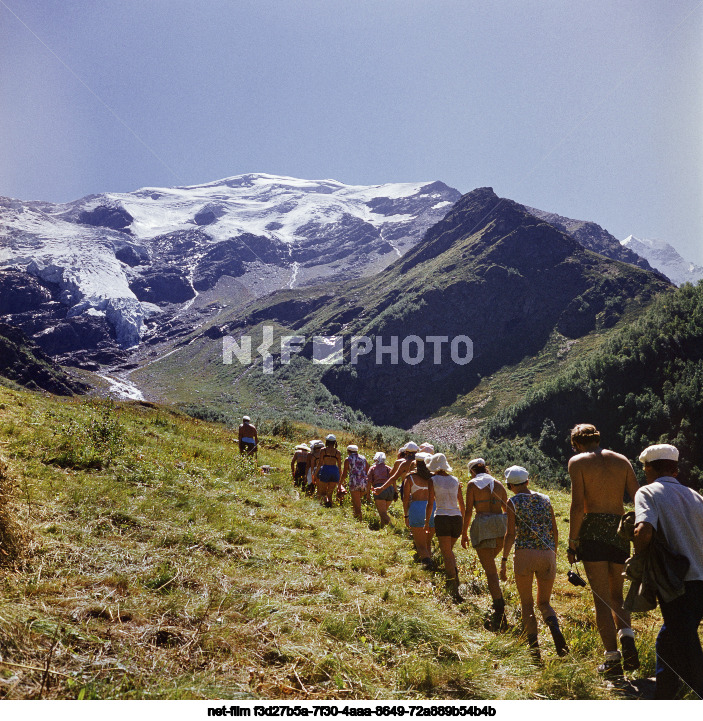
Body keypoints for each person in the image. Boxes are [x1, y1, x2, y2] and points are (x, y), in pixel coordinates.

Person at [567, 423, 640, 675]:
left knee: (601, 600)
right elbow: (638, 496)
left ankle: (612, 660)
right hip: (620, 530)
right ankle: (627, 638)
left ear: (576, 443)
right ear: (598, 438)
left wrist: (572, 542)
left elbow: (577, 506)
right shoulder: (622, 460)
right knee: (617, 596)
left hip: (593, 530)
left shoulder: (577, 462)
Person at [634, 443, 703, 699]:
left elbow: (644, 531)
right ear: (674, 469)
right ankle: (665, 691)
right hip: (701, 579)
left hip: (677, 581)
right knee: (670, 637)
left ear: (649, 468)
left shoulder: (648, 492)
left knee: (686, 645)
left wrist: (638, 558)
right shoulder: (695, 496)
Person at [501, 465, 568, 661]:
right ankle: (556, 632)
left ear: (510, 485)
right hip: (547, 554)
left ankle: (534, 651)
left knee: (527, 603)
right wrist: (552, 554)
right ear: (528, 482)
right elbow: (555, 531)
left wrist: (504, 560)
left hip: (524, 555)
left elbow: (511, 534)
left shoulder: (512, 502)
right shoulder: (545, 499)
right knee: (544, 603)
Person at [461, 458, 508, 631]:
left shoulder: (472, 485)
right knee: (491, 567)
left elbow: (468, 511)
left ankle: (499, 608)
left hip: (482, 527)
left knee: (490, 573)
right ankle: (498, 603)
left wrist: (464, 533)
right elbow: (507, 509)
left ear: (472, 471)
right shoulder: (499, 485)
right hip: (500, 528)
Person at [425, 453, 465, 601]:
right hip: (457, 518)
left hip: (442, 516)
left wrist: (426, 522)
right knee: (449, 551)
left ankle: (453, 587)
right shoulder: (455, 480)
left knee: (446, 553)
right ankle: (455, 577)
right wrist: (464, 525)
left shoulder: (432, 480)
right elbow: (462, 503)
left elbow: (430, 503)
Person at [403, 452, 435, 568]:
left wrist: (406, 515)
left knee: (420, 544)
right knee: (428, 542)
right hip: (433, 508)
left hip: (417, 509)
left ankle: (427, 563)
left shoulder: (410, 478)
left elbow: (406, 499)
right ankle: (431, 562)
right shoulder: (433, 477)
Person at [341, 445, 369, 521]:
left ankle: (359, 521)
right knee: (356, 500)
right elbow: (367, 470)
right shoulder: (363, 458)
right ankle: (355, 517)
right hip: (364, 482)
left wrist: (340, 484)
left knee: (357, 504)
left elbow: (344, 474)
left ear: (348, 451)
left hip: (354, 482)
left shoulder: (348, 459)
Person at [368, 452, 395, 528]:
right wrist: (395, 491)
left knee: (382, 513)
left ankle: (392, 527)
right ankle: (382, 527)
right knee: (384, 511)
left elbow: (369, 482)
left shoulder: (373, 468)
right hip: (390, 489)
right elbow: (394, 480)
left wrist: (368, 494)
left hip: (379, 489)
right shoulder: (388, 468)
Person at [316, 434, 341, 508]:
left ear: (327, 441)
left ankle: (322, 505)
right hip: (335, 471)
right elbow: (339, 466)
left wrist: (315, 472)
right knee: (330, 493)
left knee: (322, 492)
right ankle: (330, 506)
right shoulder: (337, 452)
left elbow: (320, 463)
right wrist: (340, 477)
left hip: (325, 470)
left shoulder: (323, 450)